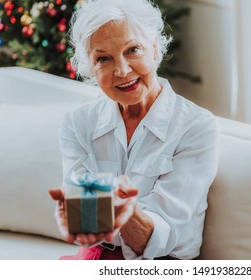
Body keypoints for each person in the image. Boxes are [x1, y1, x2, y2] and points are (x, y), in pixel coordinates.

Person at [49, 0, 219, 260]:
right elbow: (84, 225)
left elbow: (163, 236)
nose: (122, 70)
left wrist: (109, 207)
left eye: (133, 50)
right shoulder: (77, 123)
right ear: (90, 67)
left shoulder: (195, 127)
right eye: (103, 58)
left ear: (153, 48)